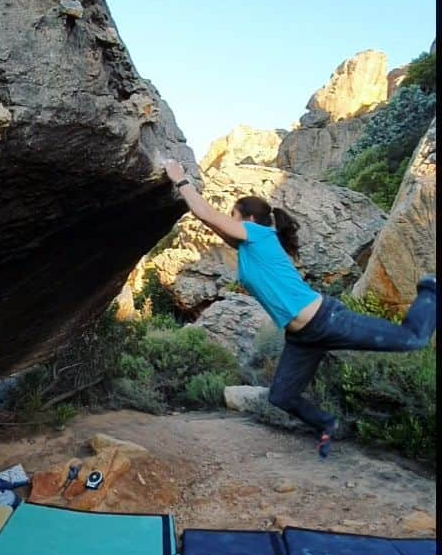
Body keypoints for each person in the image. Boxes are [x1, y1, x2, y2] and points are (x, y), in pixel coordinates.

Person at [162, 159, 437, 457]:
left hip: (325, 319)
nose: (230, 222)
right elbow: (207, 219)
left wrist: (180, 178)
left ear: (250, 219)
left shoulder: (260, 235)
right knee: (281, 396)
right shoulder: (248, 246)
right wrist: (188, 199)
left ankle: (431, 288)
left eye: (234, 216)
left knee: (413, 339)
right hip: (302, 337)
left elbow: (206, 212)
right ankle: (326, 423)